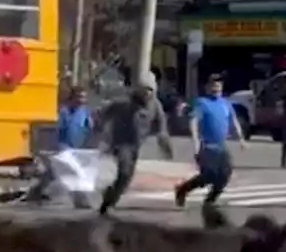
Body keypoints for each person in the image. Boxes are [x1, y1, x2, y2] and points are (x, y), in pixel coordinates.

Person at [95, 70, 174, 215]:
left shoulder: (155, 105)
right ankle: (107, 204)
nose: (147, 93)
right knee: (124, 173)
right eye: (145, 90)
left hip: (136, 145)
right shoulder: (124, 102)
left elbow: (162, 123)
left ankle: (110, 197)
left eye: (151, 90)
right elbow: (105, 112)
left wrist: (164, 142)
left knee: (127, 179)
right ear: (139, 90)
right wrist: (99, 130)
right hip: (120, 143)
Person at [174, 74, 246, 207]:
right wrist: (195, 142)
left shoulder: (225, 103)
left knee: (225, 173)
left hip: (221, 146)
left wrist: (241, 138)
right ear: (207, 87)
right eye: (213, 85)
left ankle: (210, 200)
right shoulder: (202, 103)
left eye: (218, 86)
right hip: (206, 145)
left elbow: (233, 120)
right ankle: (182, 189)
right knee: (209, 175)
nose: (216, 88)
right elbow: (194, 121)